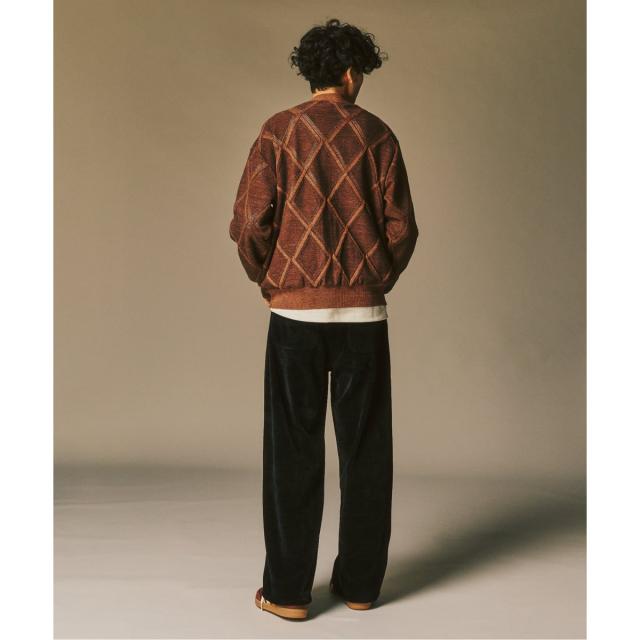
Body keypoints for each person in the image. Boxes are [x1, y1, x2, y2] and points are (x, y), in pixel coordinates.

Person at [229, 17, 419, 620]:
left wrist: (271, 279)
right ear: (351, 73)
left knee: (293, 452)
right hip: (363, 316)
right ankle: (361, 586)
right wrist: (373, 281)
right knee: (366, 453)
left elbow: (250, 221)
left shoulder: (277, 131)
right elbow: (402, 228)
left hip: (294, 318)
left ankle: (288, 594)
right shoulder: (378, 134)